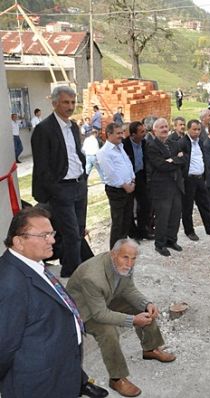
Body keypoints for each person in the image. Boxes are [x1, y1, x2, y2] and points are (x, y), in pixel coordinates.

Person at [0, 207, 108, 398]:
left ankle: (78, 382)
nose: (52, 240)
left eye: (51, 233)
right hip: (40, 384)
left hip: (61, 368)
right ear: (19, 241)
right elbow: (4, 346)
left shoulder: (30, 262)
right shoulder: (9, 284)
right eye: (44, 235)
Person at [66, 239, 176, 397]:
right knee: (108, 332)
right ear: (113, 254)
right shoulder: (92, 276)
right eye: (125, 257)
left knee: (143, 309)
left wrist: (147, 303)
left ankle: (150, 349)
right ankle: (117, 378)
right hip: (85, 311)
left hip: (106, 299)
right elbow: (100, 314)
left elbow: (128, 289)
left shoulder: (126, 263)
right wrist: (132, 320)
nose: (130, 263)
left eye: (133, 258)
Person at [31, 86, 87, 277]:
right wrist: (56, 190)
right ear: (54, 103)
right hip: (61, 189)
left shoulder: (73, 126)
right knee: (71, 234)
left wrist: (84, 178)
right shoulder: (43, 129)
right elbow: (42, 167)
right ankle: (73, 273)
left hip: (79, 185)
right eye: (66, 102)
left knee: (79, 231)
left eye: (73, 102)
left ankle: (70, 268)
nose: (70, 106)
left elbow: (75, 153)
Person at [145, 118, 185, 257]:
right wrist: (176, 160)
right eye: (161, 127)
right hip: (161, 188)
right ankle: (160, 244)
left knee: (175, 215)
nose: (164, 129)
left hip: (176, 186)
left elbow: (184, 159)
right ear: (154, 131)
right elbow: (160, 166)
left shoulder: (174, 144)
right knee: (163, 217)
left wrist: (172, 160)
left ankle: (171, 240)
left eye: (166, 126)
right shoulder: (151, 146)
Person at [179, 119, 210, 240]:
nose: (197, 132)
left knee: (205, 204)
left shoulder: (200, 142)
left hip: (200, 178)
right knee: (187, 207)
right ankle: (189, 231)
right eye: (194, 129)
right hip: (189, 179)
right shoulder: (183, 143)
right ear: (188, 129)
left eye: (199, 129)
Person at [97, 123, 136, 249]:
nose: (122, 136)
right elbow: (111, 173)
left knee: (126, 220)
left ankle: (123, 247)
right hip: (117, 191)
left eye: (122, 133)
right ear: (109, 134)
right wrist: (125, 186)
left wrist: (133, 181)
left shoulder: (120, 147)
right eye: (118, 133)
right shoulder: (104, 152)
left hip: (129, 188)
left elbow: (128, 165)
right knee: (118, 222)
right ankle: (114, 252)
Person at [122, 121, 153, 240]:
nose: (144, 134)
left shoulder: (144, 143)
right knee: (129, 207)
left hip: (140, 176)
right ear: (133, 134)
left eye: (144, 131)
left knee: (145, 204)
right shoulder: (124, 145)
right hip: (128, 178)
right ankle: (133, 233)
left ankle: (143, 230)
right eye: (141, 132)